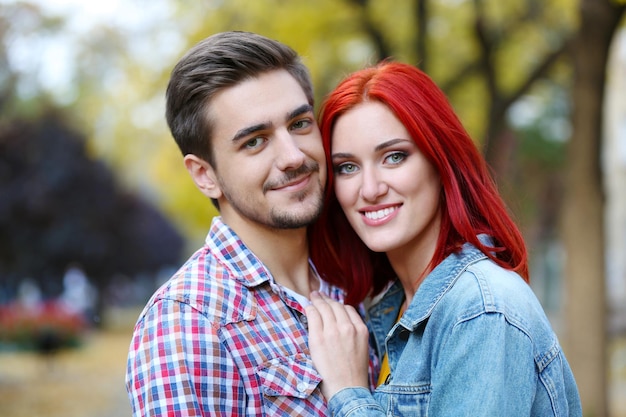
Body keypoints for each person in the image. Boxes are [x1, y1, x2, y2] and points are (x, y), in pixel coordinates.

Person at [305, 61, 582, 416]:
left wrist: (348, 393)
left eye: (394, 157)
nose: (370, 189)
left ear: (441, 162)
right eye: (348, 167)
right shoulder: (391, 310)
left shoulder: (481, 310)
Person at [126, 31, 341, 416]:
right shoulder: (187, 324)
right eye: (255, 142)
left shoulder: (349, 276)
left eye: (299, 124)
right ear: (204, 174)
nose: (293, 156)